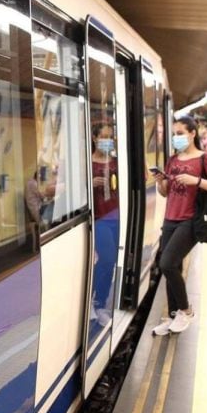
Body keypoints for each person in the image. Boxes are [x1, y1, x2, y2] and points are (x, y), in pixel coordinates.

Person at [151, 116, 207, 335]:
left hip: (190, 220)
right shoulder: (172, 160)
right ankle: (174, 315)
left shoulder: (205, 159)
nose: (177, 138)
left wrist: (197, 181)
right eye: (174, 134)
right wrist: (160, 181)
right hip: (170, 218)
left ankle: (186, 310)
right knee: (171, 267)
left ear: (192, 134)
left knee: (167, 263)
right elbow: (166, 192)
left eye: (180, 133)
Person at [91, 122, 119, 327]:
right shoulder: (87, 164)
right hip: (99, 218)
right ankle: (95, 300)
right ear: (94, 138)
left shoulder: (118, 163)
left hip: (117, 219)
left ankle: (100, 303)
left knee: (110, 262)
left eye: (111, 137)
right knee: (107, 258)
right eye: (104, 137)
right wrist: (89, 184)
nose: (108, 141)